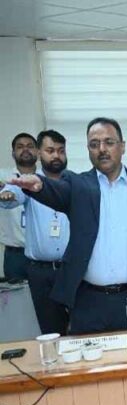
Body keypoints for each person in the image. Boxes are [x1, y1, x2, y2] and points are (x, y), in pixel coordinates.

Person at [9, 117, 127, 335]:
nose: (102, 149)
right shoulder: (78, 184)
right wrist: (40, 186)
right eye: (94, 144)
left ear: (122, 146)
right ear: (88, 149)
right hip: (88, 302)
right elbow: (57, 191)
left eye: (109, 142)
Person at [0, 130, 71, 335]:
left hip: (70, 268)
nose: (56, 155)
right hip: (40, 271)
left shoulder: (74, 182)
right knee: (50, 329)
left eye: (61, 151)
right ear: (40, 154)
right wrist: (6, 195)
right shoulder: (30, 184)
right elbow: (14, 194)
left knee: (79, 326)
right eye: (50, 150)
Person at [0, 133, 38, 279]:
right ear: (13, 153)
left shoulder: (47, 178)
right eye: (20, 147)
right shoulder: (3, 176)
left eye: (30, 146)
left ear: (38, 152)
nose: (25, 150)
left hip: (42, 256)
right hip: (15, 256)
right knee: (16, 294)